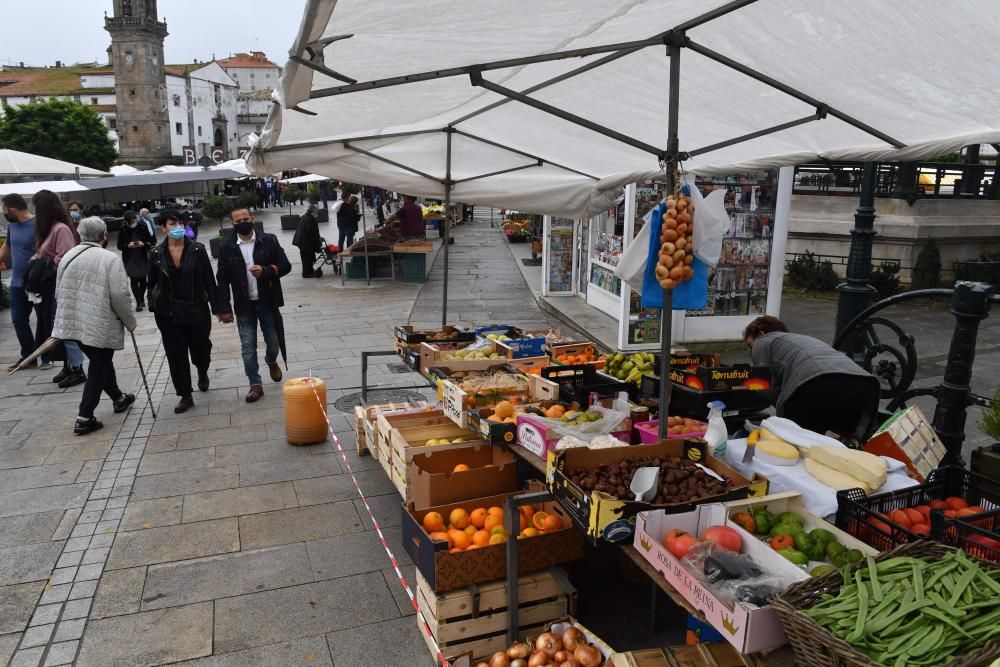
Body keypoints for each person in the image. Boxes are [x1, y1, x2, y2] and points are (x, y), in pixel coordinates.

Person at [52, 217, 136, 435]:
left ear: (80, 235)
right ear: (104, 235)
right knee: (99, 366)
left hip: (74, 324)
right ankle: (84, 416)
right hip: (98, 322)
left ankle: (118, 398)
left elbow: (58, 292)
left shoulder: (67, 256)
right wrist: (130, 321)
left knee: (101, 362)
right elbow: (119, 295)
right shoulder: (109, 258)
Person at [743, 316, 880, 440]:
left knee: (797, 445)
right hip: (864, 384)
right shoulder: (801, 340)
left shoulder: (763, 341)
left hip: (814, 382)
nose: (751, 351)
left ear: (760, 333)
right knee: (840, 448)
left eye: (750, 345)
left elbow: (764, 384)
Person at [215, 207, 291, 403]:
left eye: (245, 219)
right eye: (237, 221)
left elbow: (286, 265)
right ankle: (255, 384)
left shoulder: (269, 240)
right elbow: (222, 279)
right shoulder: (227, 247)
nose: (242, 223)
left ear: (252, 219)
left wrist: (266, 271)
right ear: (232, 223)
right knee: (248, 346)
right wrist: (223, 307)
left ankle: (271, 360)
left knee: (273, 341)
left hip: (267, 301)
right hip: (244, 305)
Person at [147, 209, 220, 413]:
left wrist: (218, 307)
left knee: (201, 349)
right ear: (163, 228)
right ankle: (185, 395)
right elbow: (151, 283)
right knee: (176, 355)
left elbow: (209, 280)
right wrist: (153, 303)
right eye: (172, 224)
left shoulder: (197, 249)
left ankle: (202, 369)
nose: (178, 227)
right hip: (168, 313)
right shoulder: (155, 253)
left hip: (196, 309)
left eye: (180, 223)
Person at [28, 190, 77, 371]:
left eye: (37, 209)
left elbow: (65, 256)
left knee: (62, 326)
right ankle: (67, 366)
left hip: (58, 284)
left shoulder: (60, 229)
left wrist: (43, 263)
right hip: (48, 286)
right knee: (54, 326)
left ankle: (75, 368)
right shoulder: (48, 230)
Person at [1, 194, 38, 370]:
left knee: (45, 320)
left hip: (36, 283)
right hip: (16, 283)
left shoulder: (38, 224)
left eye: (4, 209)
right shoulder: (12, 226)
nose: (3, 213)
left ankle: (48, 355)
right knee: (18, 320)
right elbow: (7, 247)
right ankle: (29, 356)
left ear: (12, 209)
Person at [117, 210, 154, 312]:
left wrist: (144, 244)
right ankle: (138, 302)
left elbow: (151, 241)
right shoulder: (123, 230)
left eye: (134, 219)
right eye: (131, 221)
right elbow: (119, 246)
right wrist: (128, 246)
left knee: (143, 280)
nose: (133, 222)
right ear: (127, 221)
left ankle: (142, 298)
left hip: (142, 257)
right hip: (130, 258)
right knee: (134, 280)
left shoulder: (142, 226)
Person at [292, 204, 322, 278]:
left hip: (302, 240)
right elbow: (311, 232)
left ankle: (309, 271)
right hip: (305, 241)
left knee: (307, 257)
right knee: (307, 258)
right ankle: (307, 273)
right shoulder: (310, 219)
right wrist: (318, 239)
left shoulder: (306, 217)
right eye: (317, 210)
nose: (318, 211)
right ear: (313, 210)